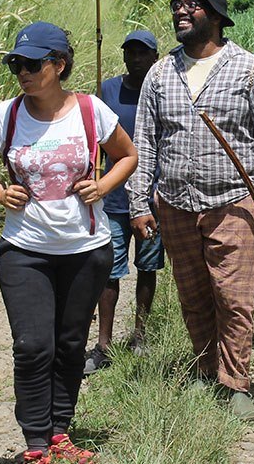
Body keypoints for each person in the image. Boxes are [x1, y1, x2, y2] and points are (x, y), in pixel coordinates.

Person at [0, 22, 137, 462]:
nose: (21, 72)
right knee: (32, 346)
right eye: (15, 64)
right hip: (24, 248)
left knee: (70, 345)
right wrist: (0, 192)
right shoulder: (4, 115)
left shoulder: (91, 111)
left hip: (86, 249)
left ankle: (60, 433)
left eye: (31, 63)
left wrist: (103, 187)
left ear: (58, 65)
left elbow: (127, 155)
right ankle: (36, 443)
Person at [126, 0, 254, 420]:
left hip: (233, 202)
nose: (181, 11)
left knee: (234, 298)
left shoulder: (249, 69)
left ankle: (236, 382)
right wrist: (140, 203)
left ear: (215, 16)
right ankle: (204, 370)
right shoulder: (161, 73)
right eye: (177, 4)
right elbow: (144, 142)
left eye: (192, 5)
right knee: (193, 293)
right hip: (176, 204)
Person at [84, 30, 163, 375]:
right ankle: (103, 344)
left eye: (142, 53)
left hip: (151, 197)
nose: (135, 59)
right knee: (109, 271)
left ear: (154, 57)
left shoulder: (161, 90)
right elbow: (93, 136)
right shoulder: (107, 91)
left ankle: (140, 335)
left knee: (147, 266)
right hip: (112, 197)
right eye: (130, 52)